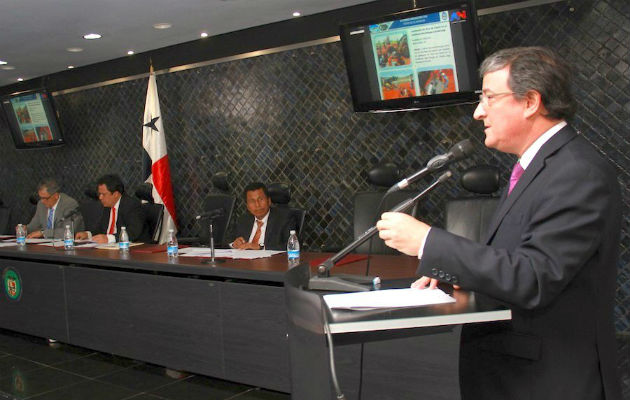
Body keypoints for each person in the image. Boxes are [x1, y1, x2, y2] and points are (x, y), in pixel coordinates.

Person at [376, 47, 621, 400]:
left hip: (547, 380)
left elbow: (535, 277)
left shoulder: (577, 173)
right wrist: (450, 267)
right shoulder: (535, 168)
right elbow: (512, 257)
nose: (478, 112)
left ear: (530, 101)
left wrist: (430, 242)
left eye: (489, 97)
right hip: (515, 374)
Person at [76, 174, 149, 244]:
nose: (100, 197)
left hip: (132, 250)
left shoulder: (132, 205)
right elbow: (101, 229)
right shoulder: (108, 206)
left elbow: (133, 232)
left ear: (116, 194)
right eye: (99, 194)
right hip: (109, 248)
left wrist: (109, 239)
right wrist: (88, 234)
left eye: (103, 194)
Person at [231, 182, 297, 251]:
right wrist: (234, 244)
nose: (257, 205)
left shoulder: (284, 219)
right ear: (247, 206)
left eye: (261, 199)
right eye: (252, 201)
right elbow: (226, 241)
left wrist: (261, 247)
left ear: (269, 201)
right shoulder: (243, 220)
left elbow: (291, 246)